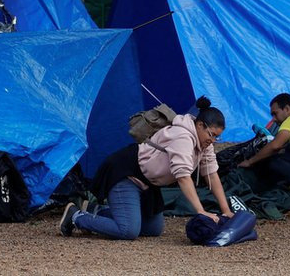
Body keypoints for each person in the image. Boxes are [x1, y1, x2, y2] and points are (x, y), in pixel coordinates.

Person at [58, 97, 233, 240]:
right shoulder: (183, 137)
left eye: (217, 137)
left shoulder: (205, 143)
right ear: (200, 125)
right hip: (127, 172)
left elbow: (212, 174)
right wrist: (201, 211)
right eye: (212, 134)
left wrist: (226, 211)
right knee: (128, 230)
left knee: (153, 228)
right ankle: (76, 217)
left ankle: (95, 211)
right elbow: (183, 177)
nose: (213, 140)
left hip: (149, 183)